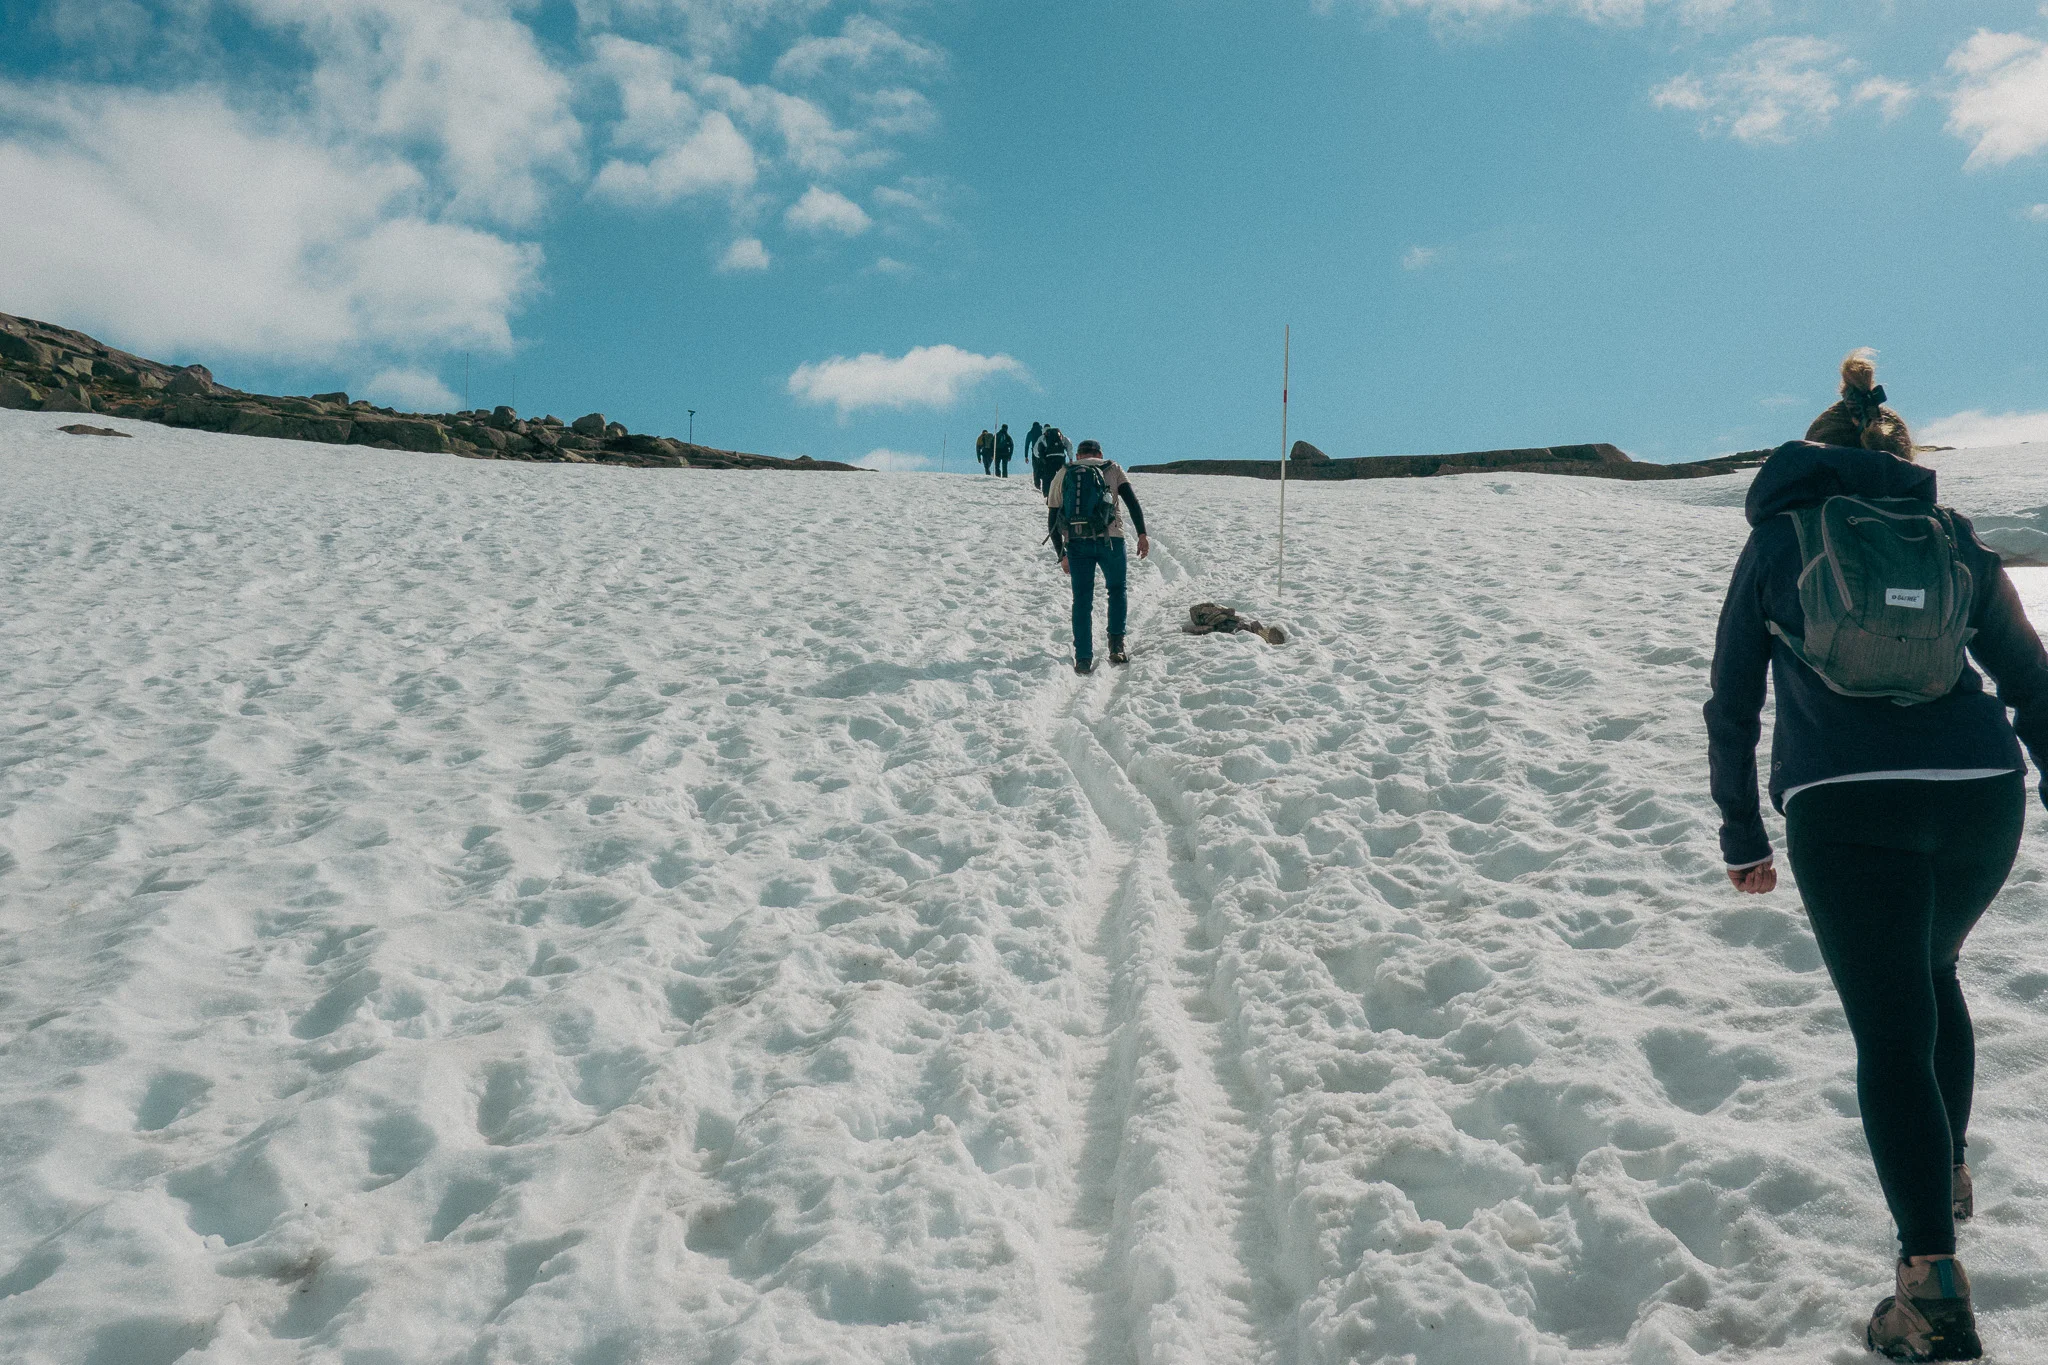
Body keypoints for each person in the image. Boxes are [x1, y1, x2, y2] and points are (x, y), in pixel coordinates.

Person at [1705, 351, 2048, 1362]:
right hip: (1980, 802)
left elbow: (1731, 702)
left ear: (1811, 449)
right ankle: (1935, 1165)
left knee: (1888, 1031)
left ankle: (1929, 1294)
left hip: (1847, 807)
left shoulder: (1779, 539)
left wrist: (1740, 830)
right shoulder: (1950, 539)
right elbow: (2029, 680)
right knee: (1932, 973)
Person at [1047, 438, 1149, 673]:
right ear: (1100, 453)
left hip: (1077, 543)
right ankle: (1116, 646)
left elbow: (1052, 519)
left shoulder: (1064, 472)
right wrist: (1142, 534)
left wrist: (1061, 553)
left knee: (1081, 599)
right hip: (1111, 540)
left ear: (1079, 455)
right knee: (1116, 589)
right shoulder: (1112, 468)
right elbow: (1132, 502)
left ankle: (1083, 657)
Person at [1033, 425, 1071, 495]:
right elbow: (1068, 445)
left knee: (1048, 477)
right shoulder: (1060, 435)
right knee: (1062, 476)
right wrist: (1070, 457)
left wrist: (1040, 457)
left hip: (1049, 459)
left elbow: (1036, 450)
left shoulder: (1043, 437)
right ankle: (1063, 492)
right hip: (1061, 458)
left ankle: (1047, 494)